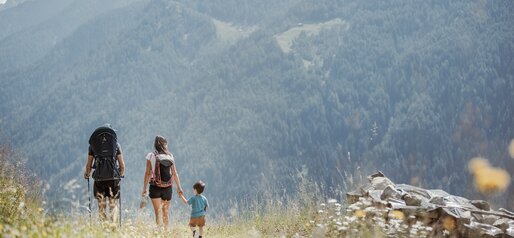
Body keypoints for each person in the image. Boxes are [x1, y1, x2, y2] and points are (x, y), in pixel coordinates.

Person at [84, 124, 125, 222]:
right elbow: (122, 164)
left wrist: (87, 174)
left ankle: (103, 227)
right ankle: (113, 226)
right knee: (113, 204)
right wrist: (120, 174)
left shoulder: (93, 146)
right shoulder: (116, 145)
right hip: (113, 178)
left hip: (99, 178)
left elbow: (88, 165)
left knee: (101, 205)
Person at [142, 135, 184, 226]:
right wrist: (179, 188)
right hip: (167, 188)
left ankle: (160, 234)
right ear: (165, 144)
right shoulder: (170, 155)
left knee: (158, 213)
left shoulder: (151, 155)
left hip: (155, 187)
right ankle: (166, 234)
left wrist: (144, 188)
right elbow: (174, 172)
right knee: (166, 213)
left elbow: (147, 173)